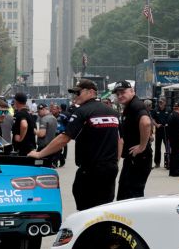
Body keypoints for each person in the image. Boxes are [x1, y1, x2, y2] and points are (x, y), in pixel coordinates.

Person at [29, 80, 120, 210]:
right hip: (110, 169)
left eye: (78, 92)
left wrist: (39, 154)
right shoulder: (112, 112)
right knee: (105, 208)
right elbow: (119, 140)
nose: (75, 95)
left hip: (91, 170)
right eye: (74, 93)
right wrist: (115, 162)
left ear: (91, 92)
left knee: (86, 210)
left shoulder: (82, 111)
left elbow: (64, 138)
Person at [114, 82, 153, 199]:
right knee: (124, 193)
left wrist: (142, 146)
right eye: (118, 94)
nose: (120, 95)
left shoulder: (136, 105)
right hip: (132, 158)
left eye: (123, 92)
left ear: (132, 91)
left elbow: (146, 123)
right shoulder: (129, 106)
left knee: (132, 195)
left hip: (139, 158)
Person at [165, 100, 179, 176]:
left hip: (172, 138)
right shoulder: (178, 116)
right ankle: (176, 172)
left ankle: (172, 171)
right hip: (178, 139)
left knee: (173, 155)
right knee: (178, 155)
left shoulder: (171, 115)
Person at [152, 96, 172, 168]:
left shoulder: (169, 110)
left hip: (166, 131)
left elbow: (171, 119)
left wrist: (168, 124)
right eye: (159, 102)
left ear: (165, 103)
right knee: (157, 147)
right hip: (159, 131)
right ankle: (157, 163)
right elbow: (152, 119)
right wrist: (156, 125)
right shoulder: (155, 110)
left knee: (168, 146)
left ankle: (169, 161)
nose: (160, 103)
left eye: (162, 102)